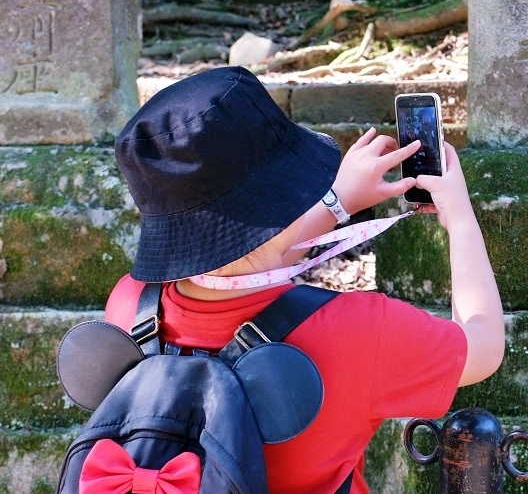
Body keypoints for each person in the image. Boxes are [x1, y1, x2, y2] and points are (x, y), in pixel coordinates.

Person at [103, 66, 505, 493]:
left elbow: (246, 259)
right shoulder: (360, 331)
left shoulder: (130, 306)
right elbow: (483, 347)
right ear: (284, 191)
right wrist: (459, 217)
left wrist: (339, 203)